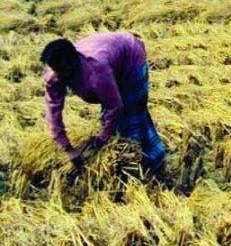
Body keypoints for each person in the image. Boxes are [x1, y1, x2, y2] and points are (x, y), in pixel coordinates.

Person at [41, 33, 166, 176]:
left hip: (130, 59)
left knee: (132, 115)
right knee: (112, 120)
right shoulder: (55, 77)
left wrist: (102, 139)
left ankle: (149, 161)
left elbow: (115, 107)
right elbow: (53, 113)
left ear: (73, 62)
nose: (59, 75)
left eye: (62, 69)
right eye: (55, 69)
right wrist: (67, 147)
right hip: (109, 58)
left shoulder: (96, 70)